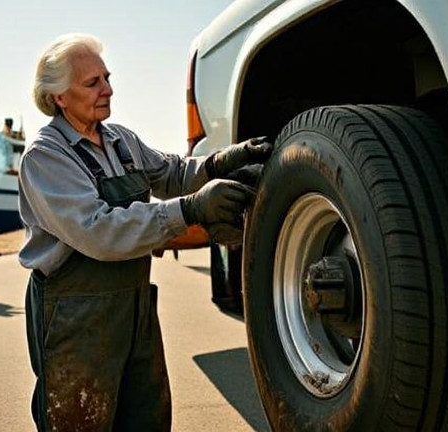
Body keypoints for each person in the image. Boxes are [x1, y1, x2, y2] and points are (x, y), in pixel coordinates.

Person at [17, 33, 272, 431]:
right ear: (59, 98)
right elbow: (98, 230)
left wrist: (221, 161)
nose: (108, 89)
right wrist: (191, 209)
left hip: (133, 310)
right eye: (93, 83)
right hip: (76, 318)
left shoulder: (120, 140)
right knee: (81, 421)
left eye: (107, 77)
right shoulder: (47, 156)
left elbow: (171, 173)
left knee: (147, 418)